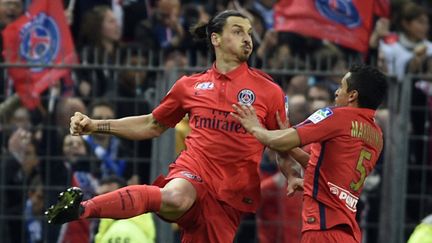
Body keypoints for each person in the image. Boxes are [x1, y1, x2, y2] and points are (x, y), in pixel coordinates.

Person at [45, 10, 287, 243]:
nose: (247, 38)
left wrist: (293, 174)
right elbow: (152, 124)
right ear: (216, 39)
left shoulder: (269, 91)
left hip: (231, 192)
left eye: (249, 32)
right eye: (237, 31)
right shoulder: (189, 86)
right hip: (195, 171)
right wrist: (95, 125)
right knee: (174, 197)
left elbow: (283, 142)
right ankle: (82, 209)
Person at [231, 64, 387, 243]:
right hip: (348, 233)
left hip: (322, 229)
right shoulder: (377, 135)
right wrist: (307, 177)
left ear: (353, 95)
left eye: (341, 87)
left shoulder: (337, 116)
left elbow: (277, 140)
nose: (336, 92)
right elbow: (328, 170)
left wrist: (254, 126)